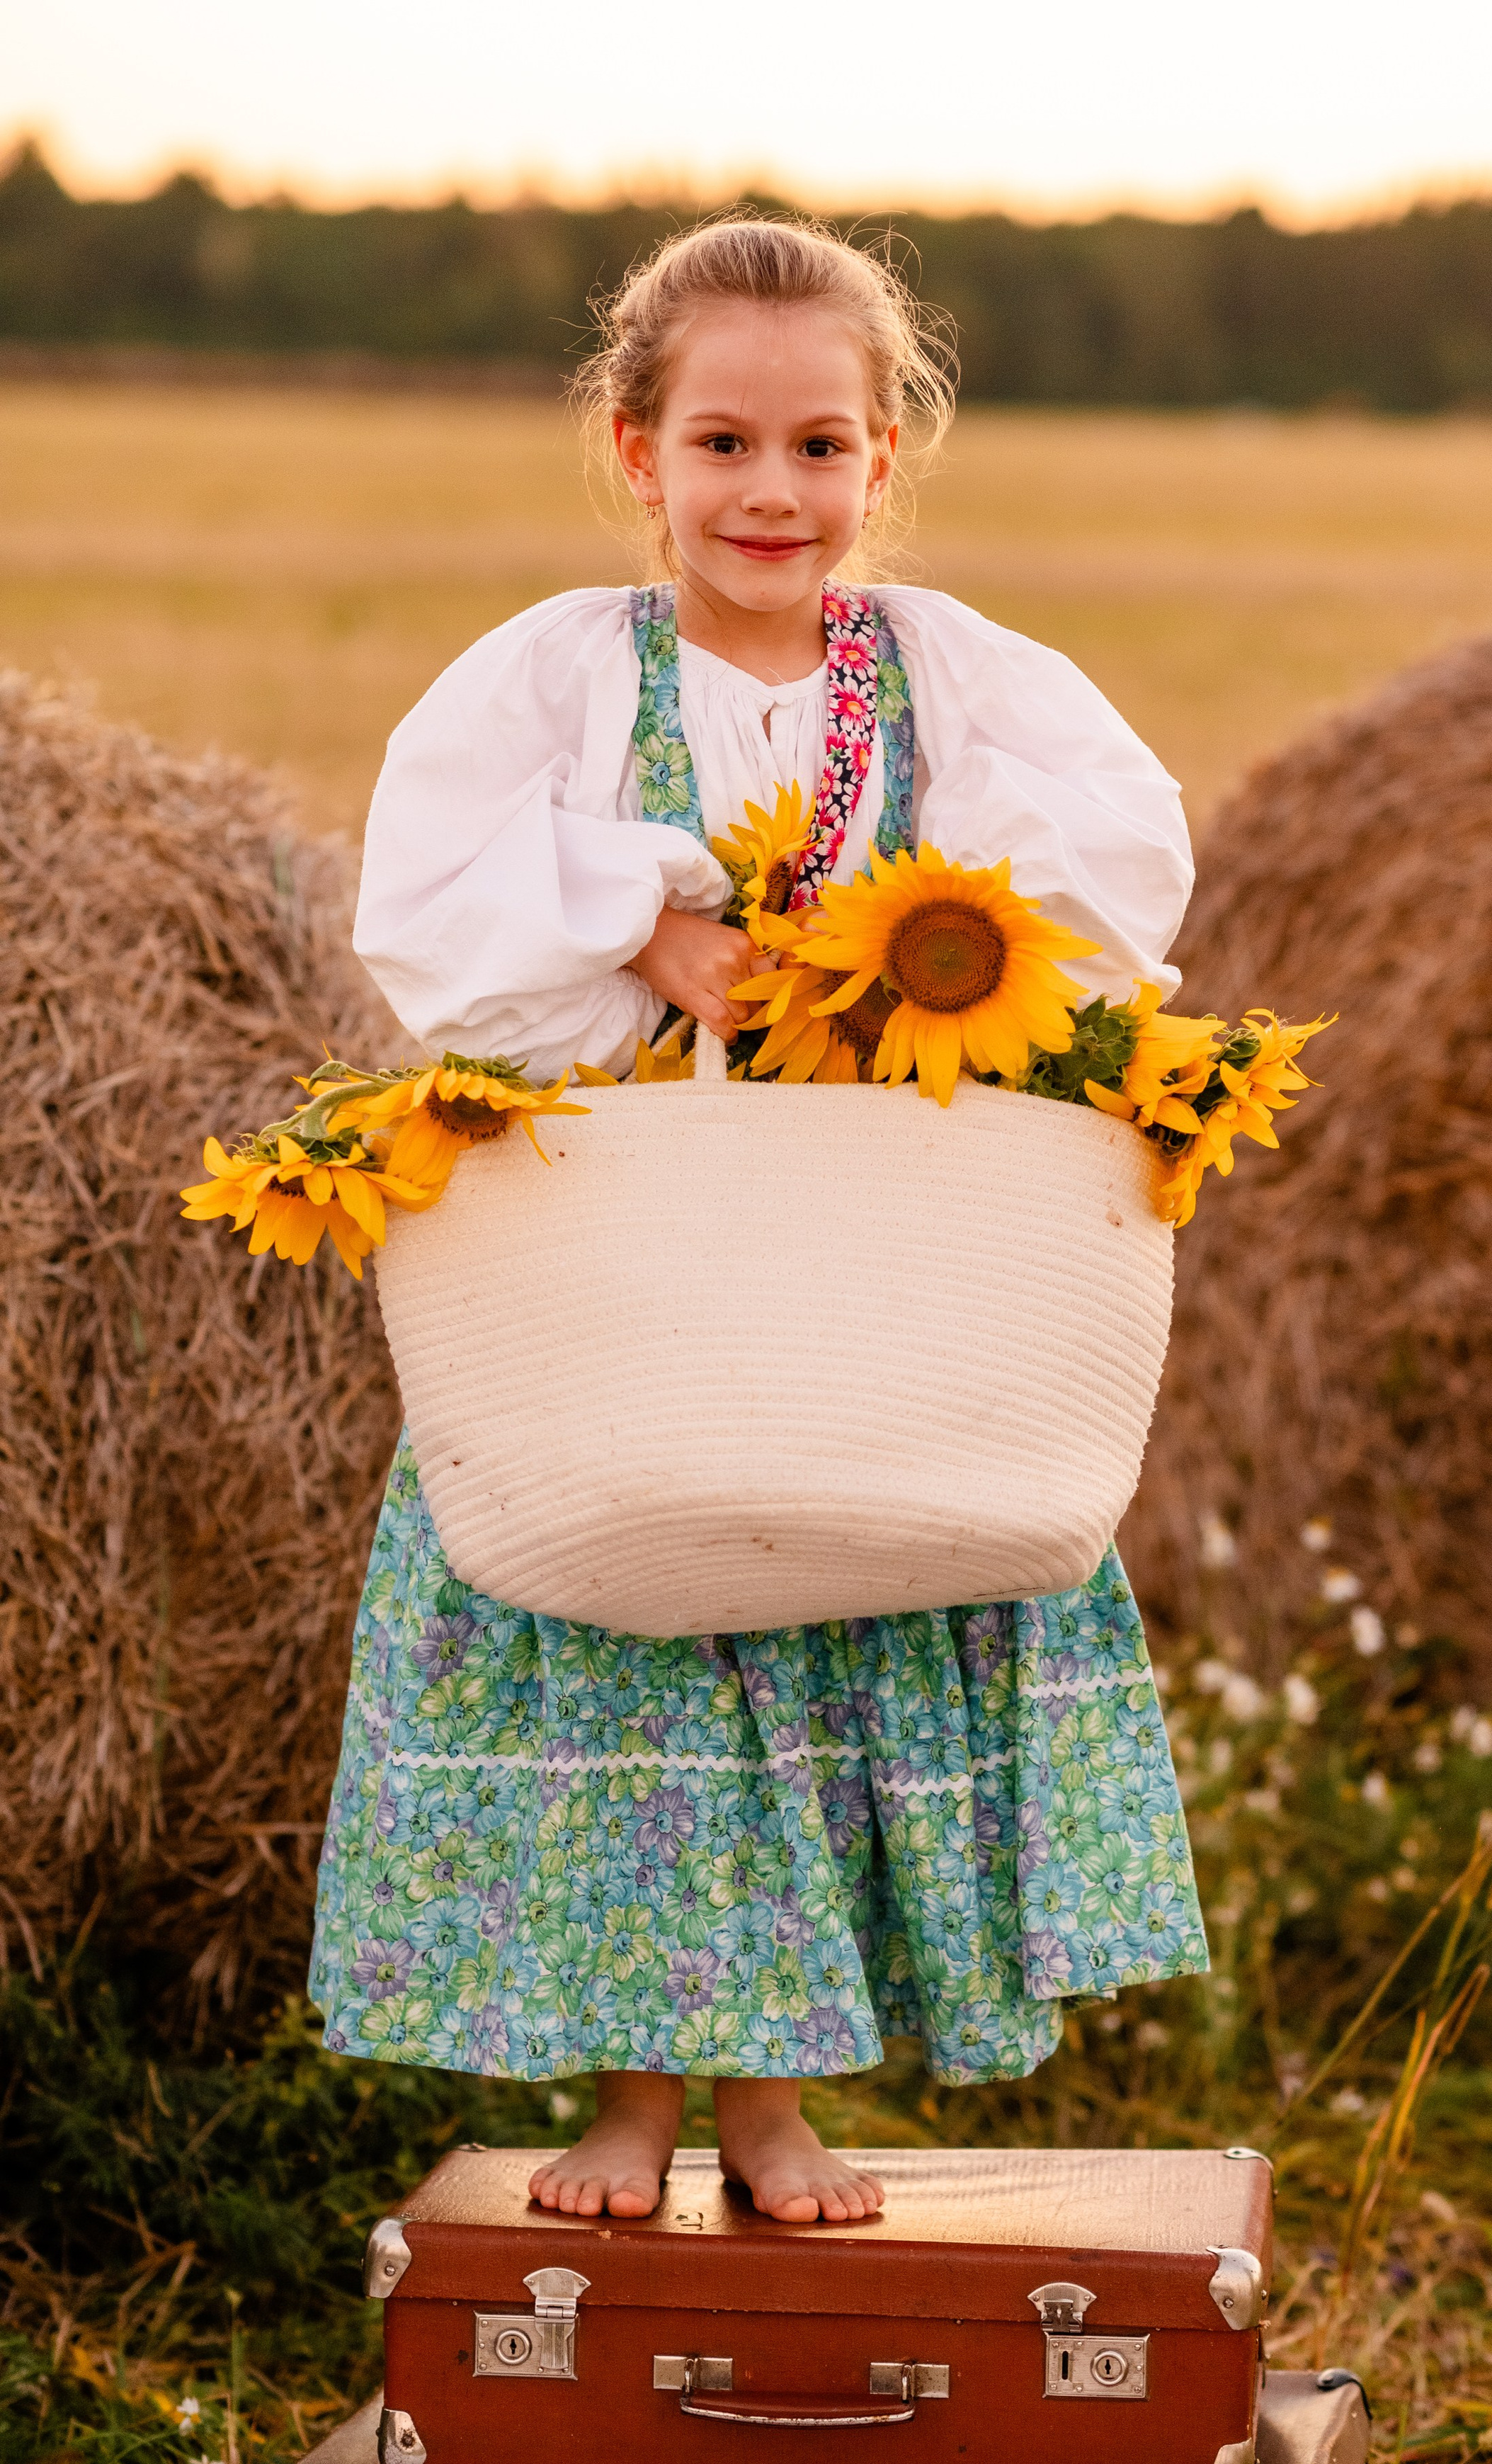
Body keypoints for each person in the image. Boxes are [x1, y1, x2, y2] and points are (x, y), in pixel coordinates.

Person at [309, 214, 1211, 2225]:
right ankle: (629, 2108)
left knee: (836, 1627)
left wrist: (920, 950)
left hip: (870, 1264)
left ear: (884, 458)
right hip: (631, 1266)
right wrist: (649, 918)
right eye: (724, 444)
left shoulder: (952, 675)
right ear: (635, 450)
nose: (771, 492)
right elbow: (437, 919)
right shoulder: (555, 677)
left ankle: (779, 2113)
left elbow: (1108, 874)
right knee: (645, 1652)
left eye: (819, 447)